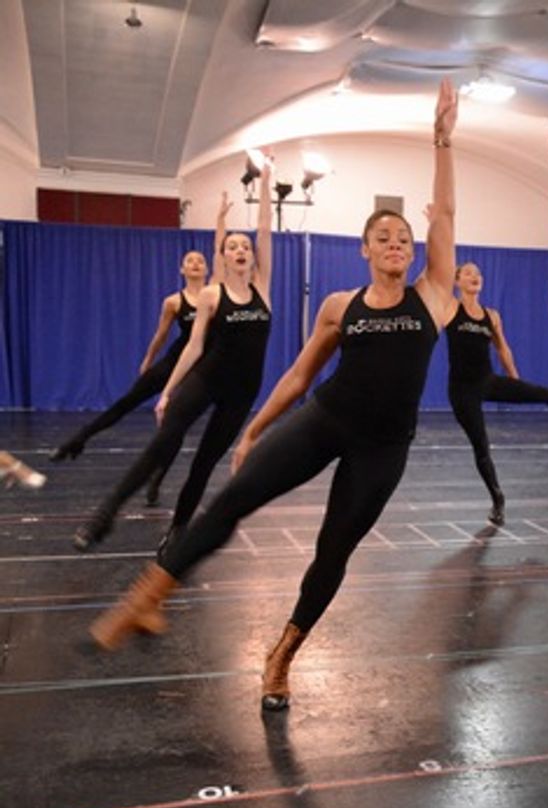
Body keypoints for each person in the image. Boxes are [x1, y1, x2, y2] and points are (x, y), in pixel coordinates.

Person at [88, 80, 464, 716]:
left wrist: (442, 141)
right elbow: (296, 376)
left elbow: (446, 216)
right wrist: (256, 428)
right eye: (384, 237)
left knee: (332, 552)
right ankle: (147, 597)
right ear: (364, 249)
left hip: (382, 449)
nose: (397, 243)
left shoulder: (432, 295)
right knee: (232, 498)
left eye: (404, 236)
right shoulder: (340, 306)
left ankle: (282, 654)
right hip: (324, 421)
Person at [73, 170, 274, 552]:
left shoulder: (263, 289)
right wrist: (167, 392)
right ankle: (104, 515)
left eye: (245, 246)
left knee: (204, 464)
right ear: (223, 256)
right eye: (232, 246)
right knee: (162, 445)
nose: (241, 250)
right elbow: (194, 348)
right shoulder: (212, 295)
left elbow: (264, 227)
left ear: (252, 256)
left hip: (242, 393)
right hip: (206, 379)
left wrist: (266, 180)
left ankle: (179, 530)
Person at [51, 196, 232, 505]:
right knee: (127, 401)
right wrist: (148, 360)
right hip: (176, 359)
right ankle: (78, 439)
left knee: (174, 426)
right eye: (190, 261)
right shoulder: (173, 302)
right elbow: (161, 335)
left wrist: (220, 220)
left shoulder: (214, 290)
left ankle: (156, 480)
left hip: (201, 367)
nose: (196, 263)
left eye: (199, 261)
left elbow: (219, 251)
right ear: (182, 269)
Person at [445, 260, 548, 525]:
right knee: (481, 446)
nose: (475, 276)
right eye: (468, 273)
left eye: (478, 273)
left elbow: (502, 348)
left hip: (487, 381)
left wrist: (515, 382)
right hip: (462, 391)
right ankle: (497, 498)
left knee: (540, 392)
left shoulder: (491, 315)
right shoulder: (450, 308)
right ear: (457, 281)